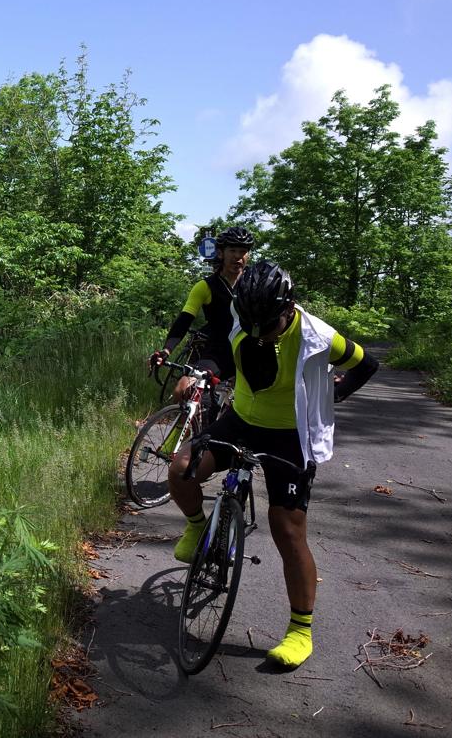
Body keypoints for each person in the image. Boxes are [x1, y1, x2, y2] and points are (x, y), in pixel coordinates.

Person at [168, 260, 379, 669]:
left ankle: (301, 630)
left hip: (290, 435)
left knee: (287, 529)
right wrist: (202, 374)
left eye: (267, 325)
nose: (258, 333)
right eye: (252, 324)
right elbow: (220, 356)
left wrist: (333, 396)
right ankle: (197, 528)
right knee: (181, 468)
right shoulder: (240, 317)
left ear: (288, 308)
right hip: (242, 419)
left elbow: (366, 364)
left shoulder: (319, 335)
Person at [150, 226, 254, 399]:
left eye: (243, 251)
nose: (238, 256)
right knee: (182, 390)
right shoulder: (205, 287)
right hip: (218, 351)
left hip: (249, 351)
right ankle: (184, 426)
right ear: (221, 254)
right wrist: (166, 350)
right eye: (232, 250)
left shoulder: (255, 283)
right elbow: (184, 320)